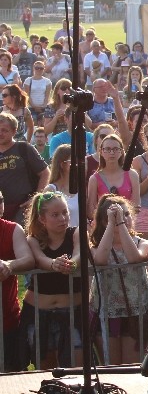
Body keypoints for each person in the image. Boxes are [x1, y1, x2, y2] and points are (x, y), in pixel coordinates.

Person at [22, 191, 82, 368]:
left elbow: (79, 253)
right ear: (42, 219)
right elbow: (40, 259)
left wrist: (71, 263)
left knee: (75, 366)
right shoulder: (33, 239)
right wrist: (54, 264)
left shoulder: (76, 233)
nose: (62, 218)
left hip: (72, 311)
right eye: (55, 215)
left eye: (65, 212)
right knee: (45, 369)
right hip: (39, 312)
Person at [89, 195, 148, 365]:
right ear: (104, 221)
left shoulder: (142, 243)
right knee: (112, 368)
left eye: (127, 214)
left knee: (132, 367)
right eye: (118, 215)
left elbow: (134, 258)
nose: (124, 219)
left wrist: (121, 224)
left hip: (135, 313)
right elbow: (100, 260)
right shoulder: (96, 247)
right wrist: (111, 224)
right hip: (106, 314)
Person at [0, 190, 33, 371]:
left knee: (12, 376)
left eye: (0, 200)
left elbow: (27, 259)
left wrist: (9, 265)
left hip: (7, 322)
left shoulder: (12, 229)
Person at [0, 111, 50, 223]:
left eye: (4, 130)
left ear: (14, 131)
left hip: (22, 208)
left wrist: (36, 198)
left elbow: (45, 173)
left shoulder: (24, 148)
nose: (0, 133)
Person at [86, 133, 141, 219]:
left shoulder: (132, 175)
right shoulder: (94, 179)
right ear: (101, 152)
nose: (112, 152)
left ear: (121, 151)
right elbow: (91, 212)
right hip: (104, 223)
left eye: (115, 149)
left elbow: (136, 207)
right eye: (107, 149)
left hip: (126, 222)